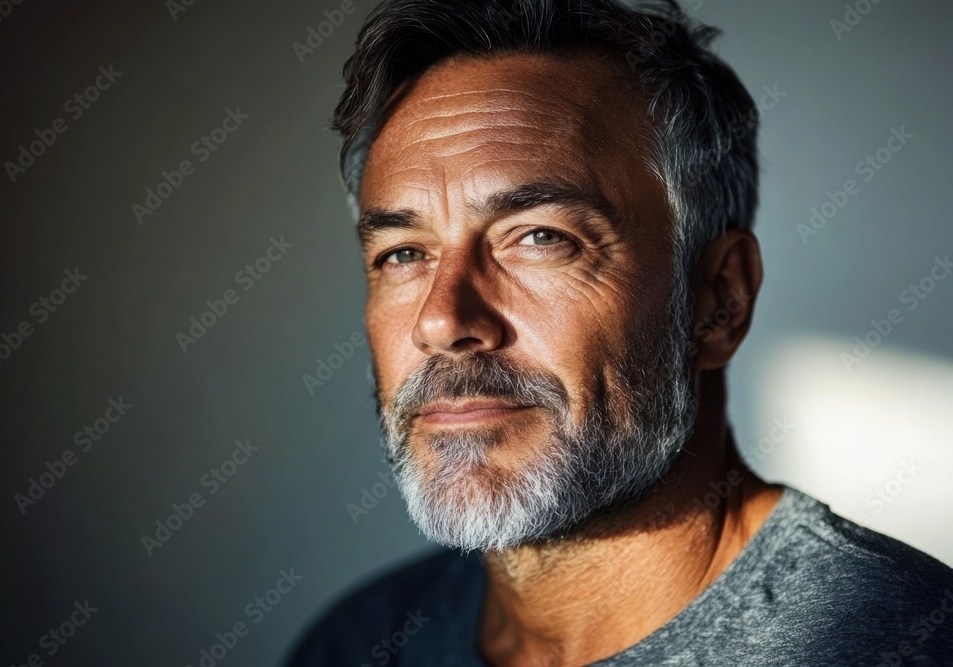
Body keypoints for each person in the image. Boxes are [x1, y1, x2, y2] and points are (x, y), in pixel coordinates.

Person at [287, 0, 953, 664]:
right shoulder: (356, 642)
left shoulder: (902, 641)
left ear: (718, 300)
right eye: (403, 253)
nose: (442, 320)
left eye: (540, 237)